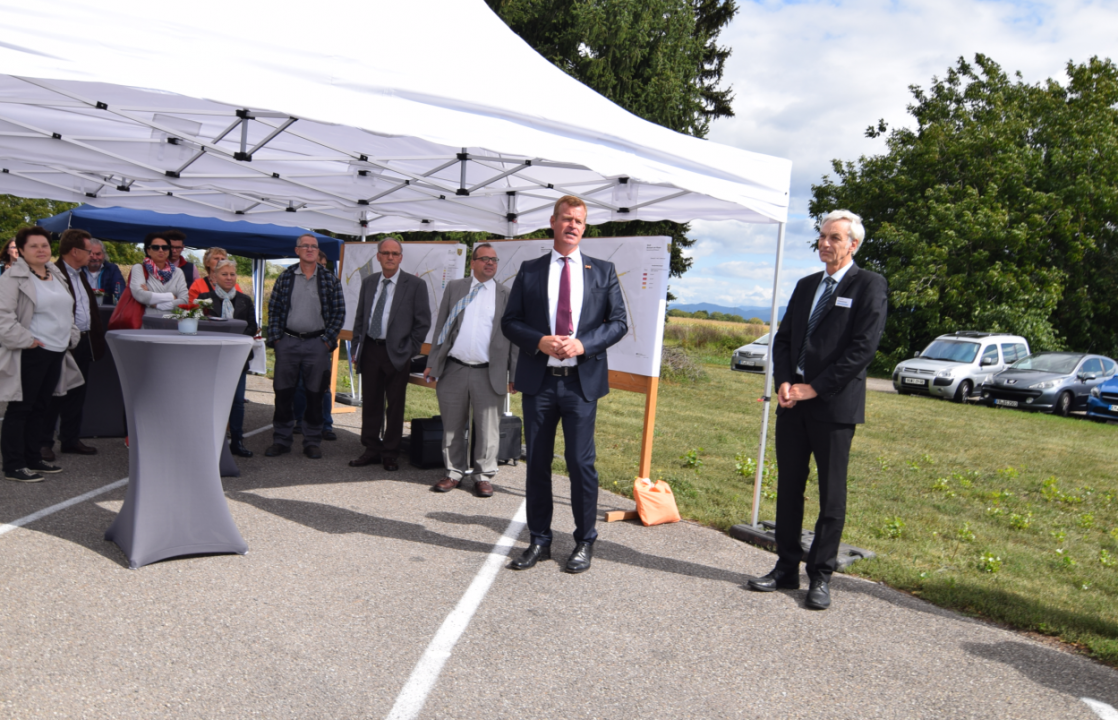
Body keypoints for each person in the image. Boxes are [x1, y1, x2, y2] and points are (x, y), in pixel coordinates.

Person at [747, 209, 888, 610]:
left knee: (831, 494)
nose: (825, 243)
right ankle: (786, 567)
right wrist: (784, 382)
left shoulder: (869, 285)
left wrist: (815, 388)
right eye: (822, 236)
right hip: (794, 403)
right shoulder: (807, 285)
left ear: (853, 244)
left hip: (833, 407)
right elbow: (784, 340)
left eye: (834, 238)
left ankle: (821, 575)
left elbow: (862, 349)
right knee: (789, 487)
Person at [501, 195, 627, 574]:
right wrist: (539, 341)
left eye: (579, 221)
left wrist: (584, 344)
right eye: (567, 219)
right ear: (553, 222)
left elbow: (618, 322)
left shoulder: (602, 271)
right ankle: (539, 539)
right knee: (537, 463)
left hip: (580, 385)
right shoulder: (530, 270)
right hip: (539, 383)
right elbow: (510, 322)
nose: (573, 225)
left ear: (584, 228)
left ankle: (584, 540)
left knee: (580, 464)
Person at [424, 243, 517, 497]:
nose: (490, 263)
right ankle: (453, 472)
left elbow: (514, 338)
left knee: (488, 429)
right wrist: (433, 361)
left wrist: (514, 374)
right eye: (484, 258)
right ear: (473, 263)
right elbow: (442, 326)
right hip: (454, 368)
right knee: (452, 425)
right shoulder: (456, 288)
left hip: (490, 372)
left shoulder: (506, 294)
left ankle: (483, 476)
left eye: (494, 259)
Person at [0, 226, 84, 483]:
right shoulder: (13, 278)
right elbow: (3, 317)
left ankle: (33, 457)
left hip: (57, 351)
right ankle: (14, 465)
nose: (40, 250)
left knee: (41, 407)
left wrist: (71, 335)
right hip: (31, 351)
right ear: (21, 250)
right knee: (20, 409)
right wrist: (28, 341)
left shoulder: (55, 274)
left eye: (44, 245)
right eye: (33, 246)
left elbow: (67, 310)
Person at [349, 237, 430, 472]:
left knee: (395, 405)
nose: (390, 257)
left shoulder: (415, 285)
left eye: (395, 253)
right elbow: (360, 318)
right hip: (370, 350)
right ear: (378, 256)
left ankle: (390, 452)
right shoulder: (369, 282)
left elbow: (423, 322)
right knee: (371, 402)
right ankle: (371, 449)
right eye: (385, 253)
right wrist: (356, 347)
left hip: (397, 353)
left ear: (401, 257)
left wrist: (409, 350)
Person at [264, 234, 345, 459]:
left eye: (314, 247)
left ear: (318, 251)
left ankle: (312, 441)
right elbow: (274, 310)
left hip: (317, 344)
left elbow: (339, 313)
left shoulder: (329, 279)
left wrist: (326, 341)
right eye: (305, 246)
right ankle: (281, 440)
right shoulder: (286, 277)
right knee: (283, 394)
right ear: (297, 250)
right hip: (288, 343)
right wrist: (278, 340)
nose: (310, 250)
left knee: (315, 395)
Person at [41, 229, 106, 461]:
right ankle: (43, 442)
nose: (92, 255)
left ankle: (70, 438)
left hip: (83, 341)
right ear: (75, 251)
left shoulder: (80, 275)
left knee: (77, 392)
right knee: (55, 393)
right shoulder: (52, 273)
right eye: (88, 251)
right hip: (62, 342)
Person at [200, 260, 258, 458]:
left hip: (237, 357)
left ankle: (237, 441)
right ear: (214, 277)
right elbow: (199, 325)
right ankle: (211, 441)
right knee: (212, 400)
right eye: (224, 274)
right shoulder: (204, 299)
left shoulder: (245, 300)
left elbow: (252, 326)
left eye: (232, 274)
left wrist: (235, 339)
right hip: (212, 358)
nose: (229, 278)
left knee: (237, 401)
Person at [292, 249, 336, 441]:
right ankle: (300, 421)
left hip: (321, 344)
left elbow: (337, 314)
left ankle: (326, 425)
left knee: (323, 387)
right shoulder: (295, 283)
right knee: (301, 385)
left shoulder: (331, 285)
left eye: (325, 266)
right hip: (299, 343)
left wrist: (327, 341)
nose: (322, 269)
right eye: (320, 265)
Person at [129, 233, 189, 316]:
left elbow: (184, 301)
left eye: (165, 247)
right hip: (146, 321)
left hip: (173, 322)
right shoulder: (139, 268)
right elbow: (140, 295)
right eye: (155, 247)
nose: (161, 250)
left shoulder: (178, 272)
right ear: (148, 250)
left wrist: (155, 304)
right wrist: (171, 297)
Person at [82, 239, 126, 305]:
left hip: (104, 309)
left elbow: (120, 291)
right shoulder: (78, 269)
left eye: (98, 254)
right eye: (91, 254)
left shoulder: (112, 269)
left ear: (103, 254)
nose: (94, 257)